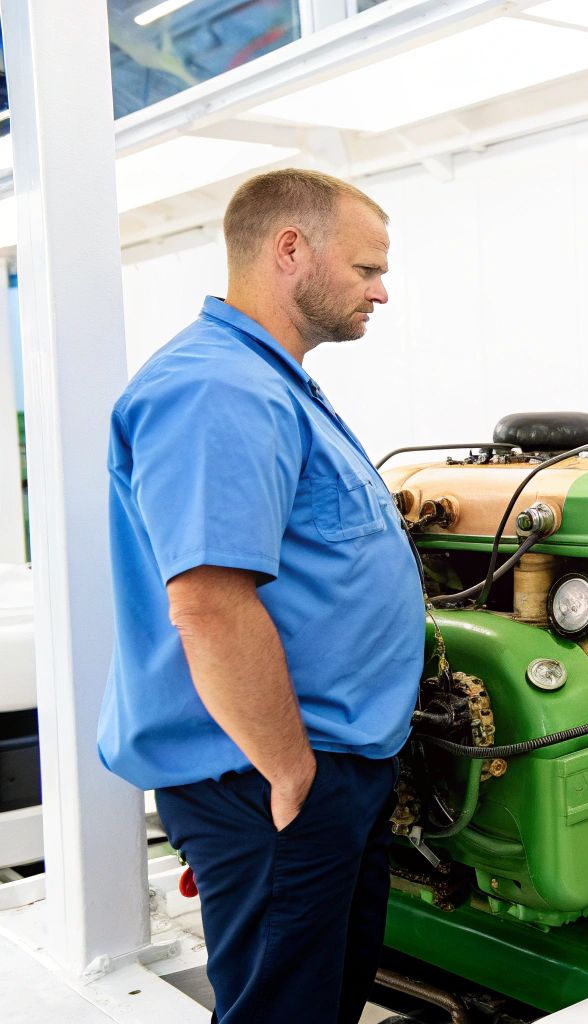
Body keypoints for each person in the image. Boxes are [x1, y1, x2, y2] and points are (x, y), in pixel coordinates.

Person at [98, 169, 422, 1024]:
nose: (381, 291)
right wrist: (290, 772)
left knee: (327, 998)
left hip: (326, 766)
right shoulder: (217, 389)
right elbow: (209, 604)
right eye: (366, 269)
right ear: (290, 251)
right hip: (270, 773)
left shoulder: (271, 381)